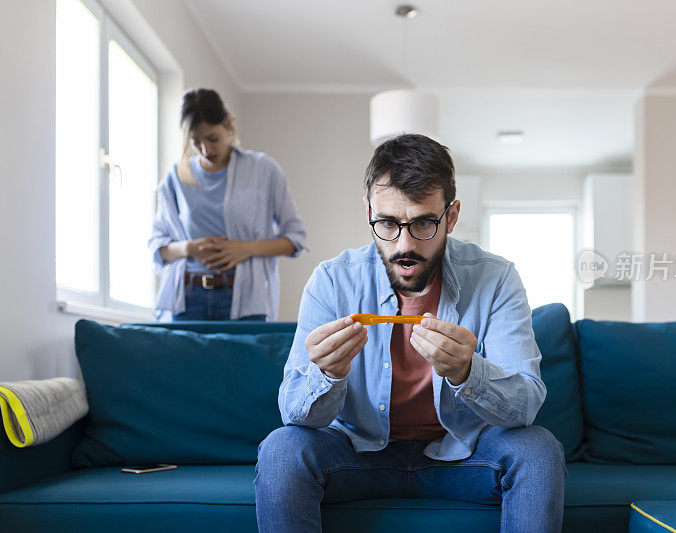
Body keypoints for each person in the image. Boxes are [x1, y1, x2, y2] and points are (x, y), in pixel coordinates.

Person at [254, 134, 566, 532]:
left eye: (423, 223)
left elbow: (526, 406)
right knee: (282, 450)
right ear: (368, 212)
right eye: (387, 223)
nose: (404, 245)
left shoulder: (496, 278)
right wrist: (326, 376)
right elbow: (294, 414)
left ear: (451, 217)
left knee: (538, 449)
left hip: (465, 456)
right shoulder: (332, 282)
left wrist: (469, 373)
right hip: (358, 456)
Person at [148, 88, 307, 321]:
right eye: (196, 142)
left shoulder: (264, 170)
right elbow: (157, 247)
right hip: (187, 300)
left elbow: (295, 240)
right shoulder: (175, 178)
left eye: (212, 139)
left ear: (228, 124)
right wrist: (189, 248)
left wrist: (245, 249)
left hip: (246, 300)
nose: (206, 150)